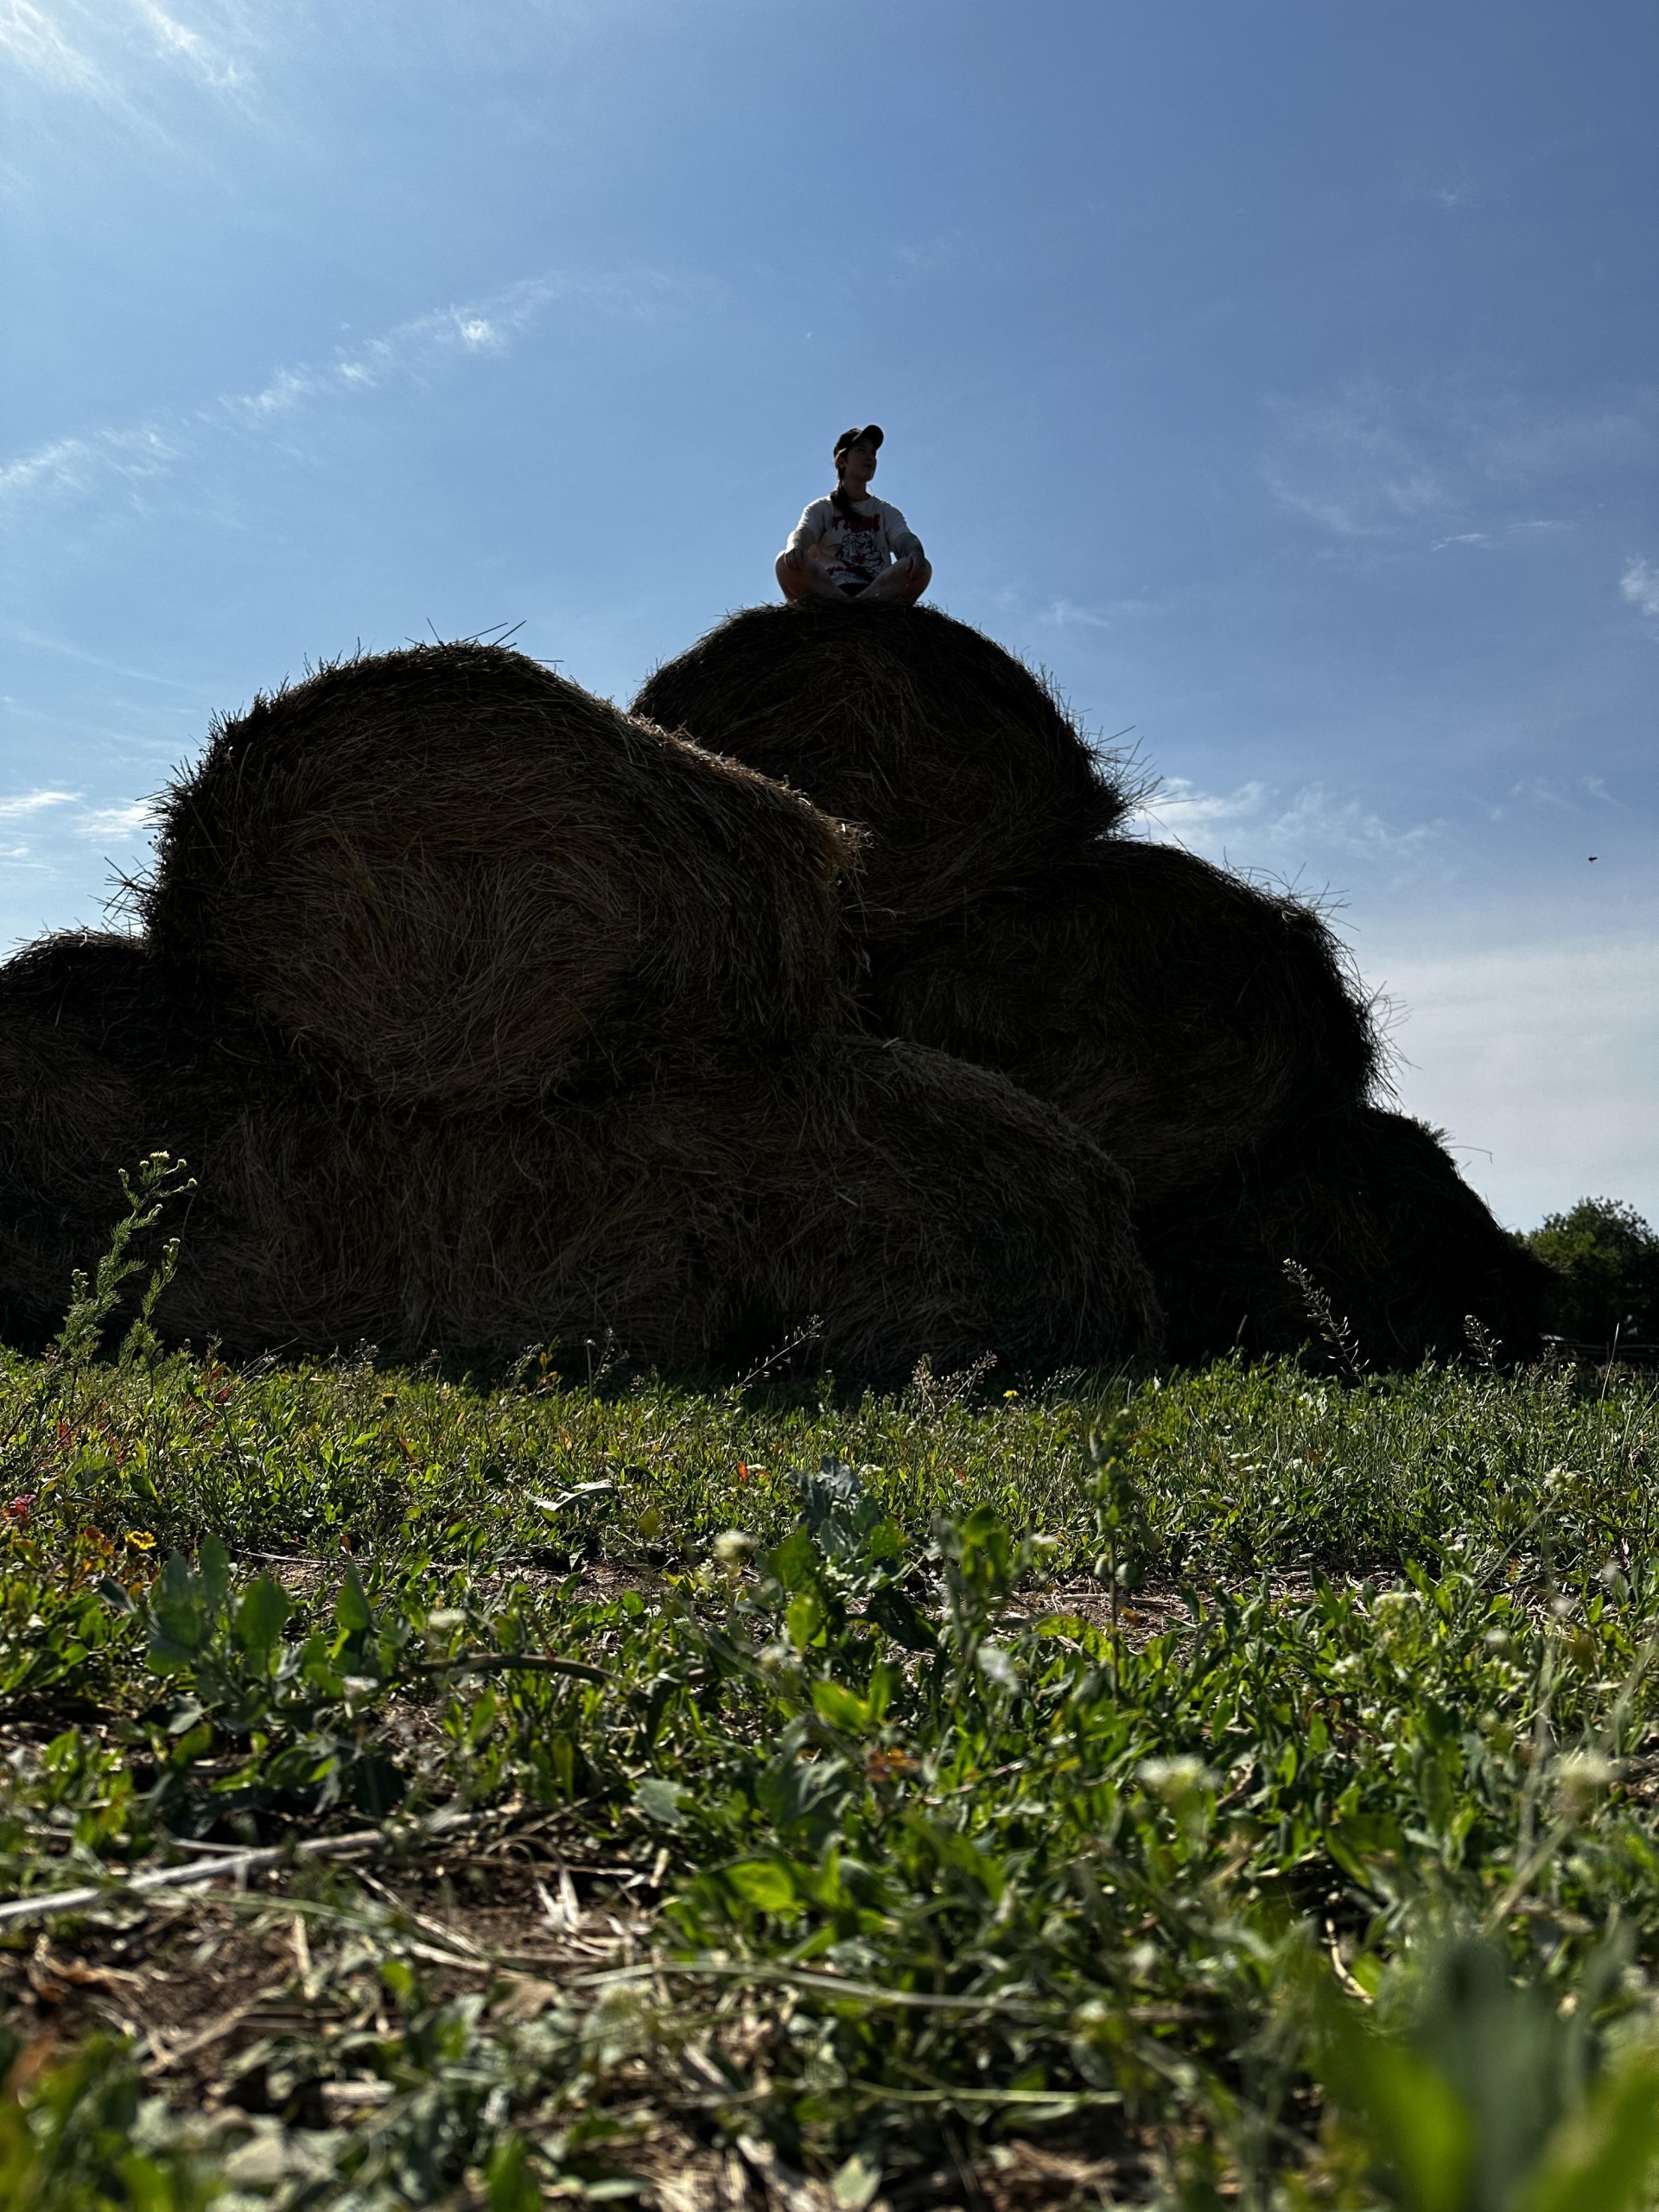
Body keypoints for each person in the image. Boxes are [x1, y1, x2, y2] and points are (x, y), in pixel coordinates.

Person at [776, 425, 932, 604]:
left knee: (923, 568)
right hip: (827, 590)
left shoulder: (885, 511)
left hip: (877, 592)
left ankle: (859, 606)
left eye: (873, 453)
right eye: (861, 451)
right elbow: (804, 532)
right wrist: (795, 546)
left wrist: (916, 553)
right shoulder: (822, 508)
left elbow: (904, 539)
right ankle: (844, 604)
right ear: (842, 461)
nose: (870, 458)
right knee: (783, 562)